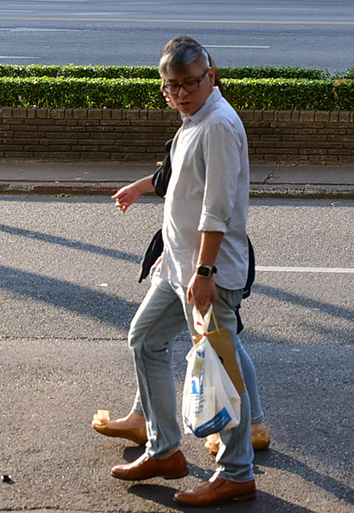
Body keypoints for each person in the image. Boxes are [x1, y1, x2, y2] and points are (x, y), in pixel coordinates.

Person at [94, 38, 265, 506]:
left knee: (221, 372)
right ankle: (164, 449)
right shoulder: (192, 123)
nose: (183, 93)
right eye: (173, 86)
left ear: (211, 75)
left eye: (191, 83)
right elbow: (177, 179)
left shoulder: (219, 126)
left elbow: (218, 209)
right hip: (176, 270)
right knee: (144, 339)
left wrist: (206, 271)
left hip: (205, 274)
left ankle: (235, 473)